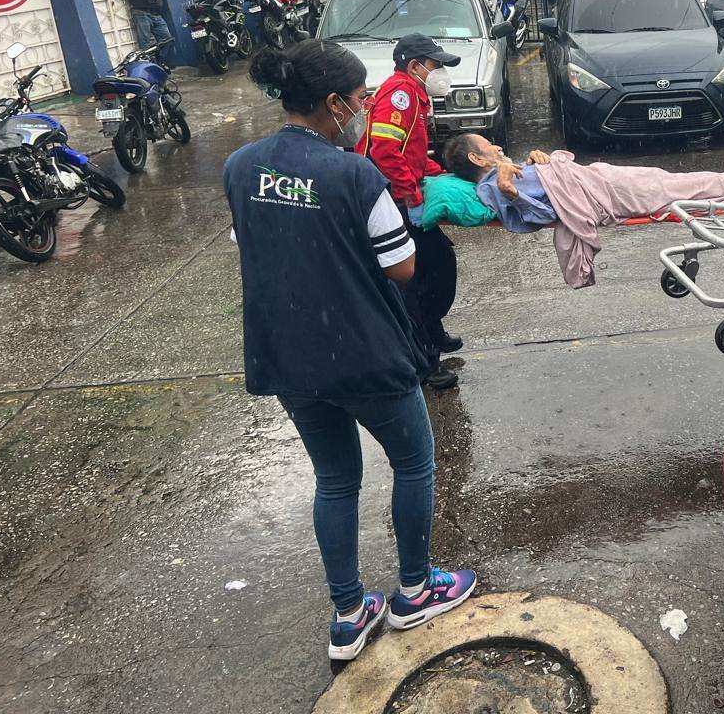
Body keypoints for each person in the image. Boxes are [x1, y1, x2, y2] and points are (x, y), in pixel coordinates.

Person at [223, 40, 476, 663]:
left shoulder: (240, 166)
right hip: (362, 351)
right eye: (360, 99)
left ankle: (348, 613)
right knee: (415, 460)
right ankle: (415, 591)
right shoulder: (353, 173)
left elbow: (249, 240)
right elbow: (403, 267)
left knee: (335, 478)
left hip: (287, 355)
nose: (366, 109)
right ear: (333, 104)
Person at [359, 34, 462, 391]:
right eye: (435, 65)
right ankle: (425, 360)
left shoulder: (414, 95)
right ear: (415, 66)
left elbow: (410, 154)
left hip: (402, 192)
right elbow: (384, 150)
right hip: (392, 199)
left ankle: (433, 331)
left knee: (439, 262)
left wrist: (440, 174)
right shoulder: (400, 94)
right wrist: (411, 194)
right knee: (413, 281)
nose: (440, 72)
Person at [443, 134, 555, 232]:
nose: (499, 147)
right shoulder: (490, 188)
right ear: (477, 159)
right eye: (489, 144)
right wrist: (510, 190)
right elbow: (546, 215)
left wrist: (537, 161)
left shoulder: (506, 171)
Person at [123, 0, 175, 68]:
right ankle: (148, 67)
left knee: (167, 39)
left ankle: (160, 63)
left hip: (155, 13)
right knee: (145, 43)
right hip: (141, 13)